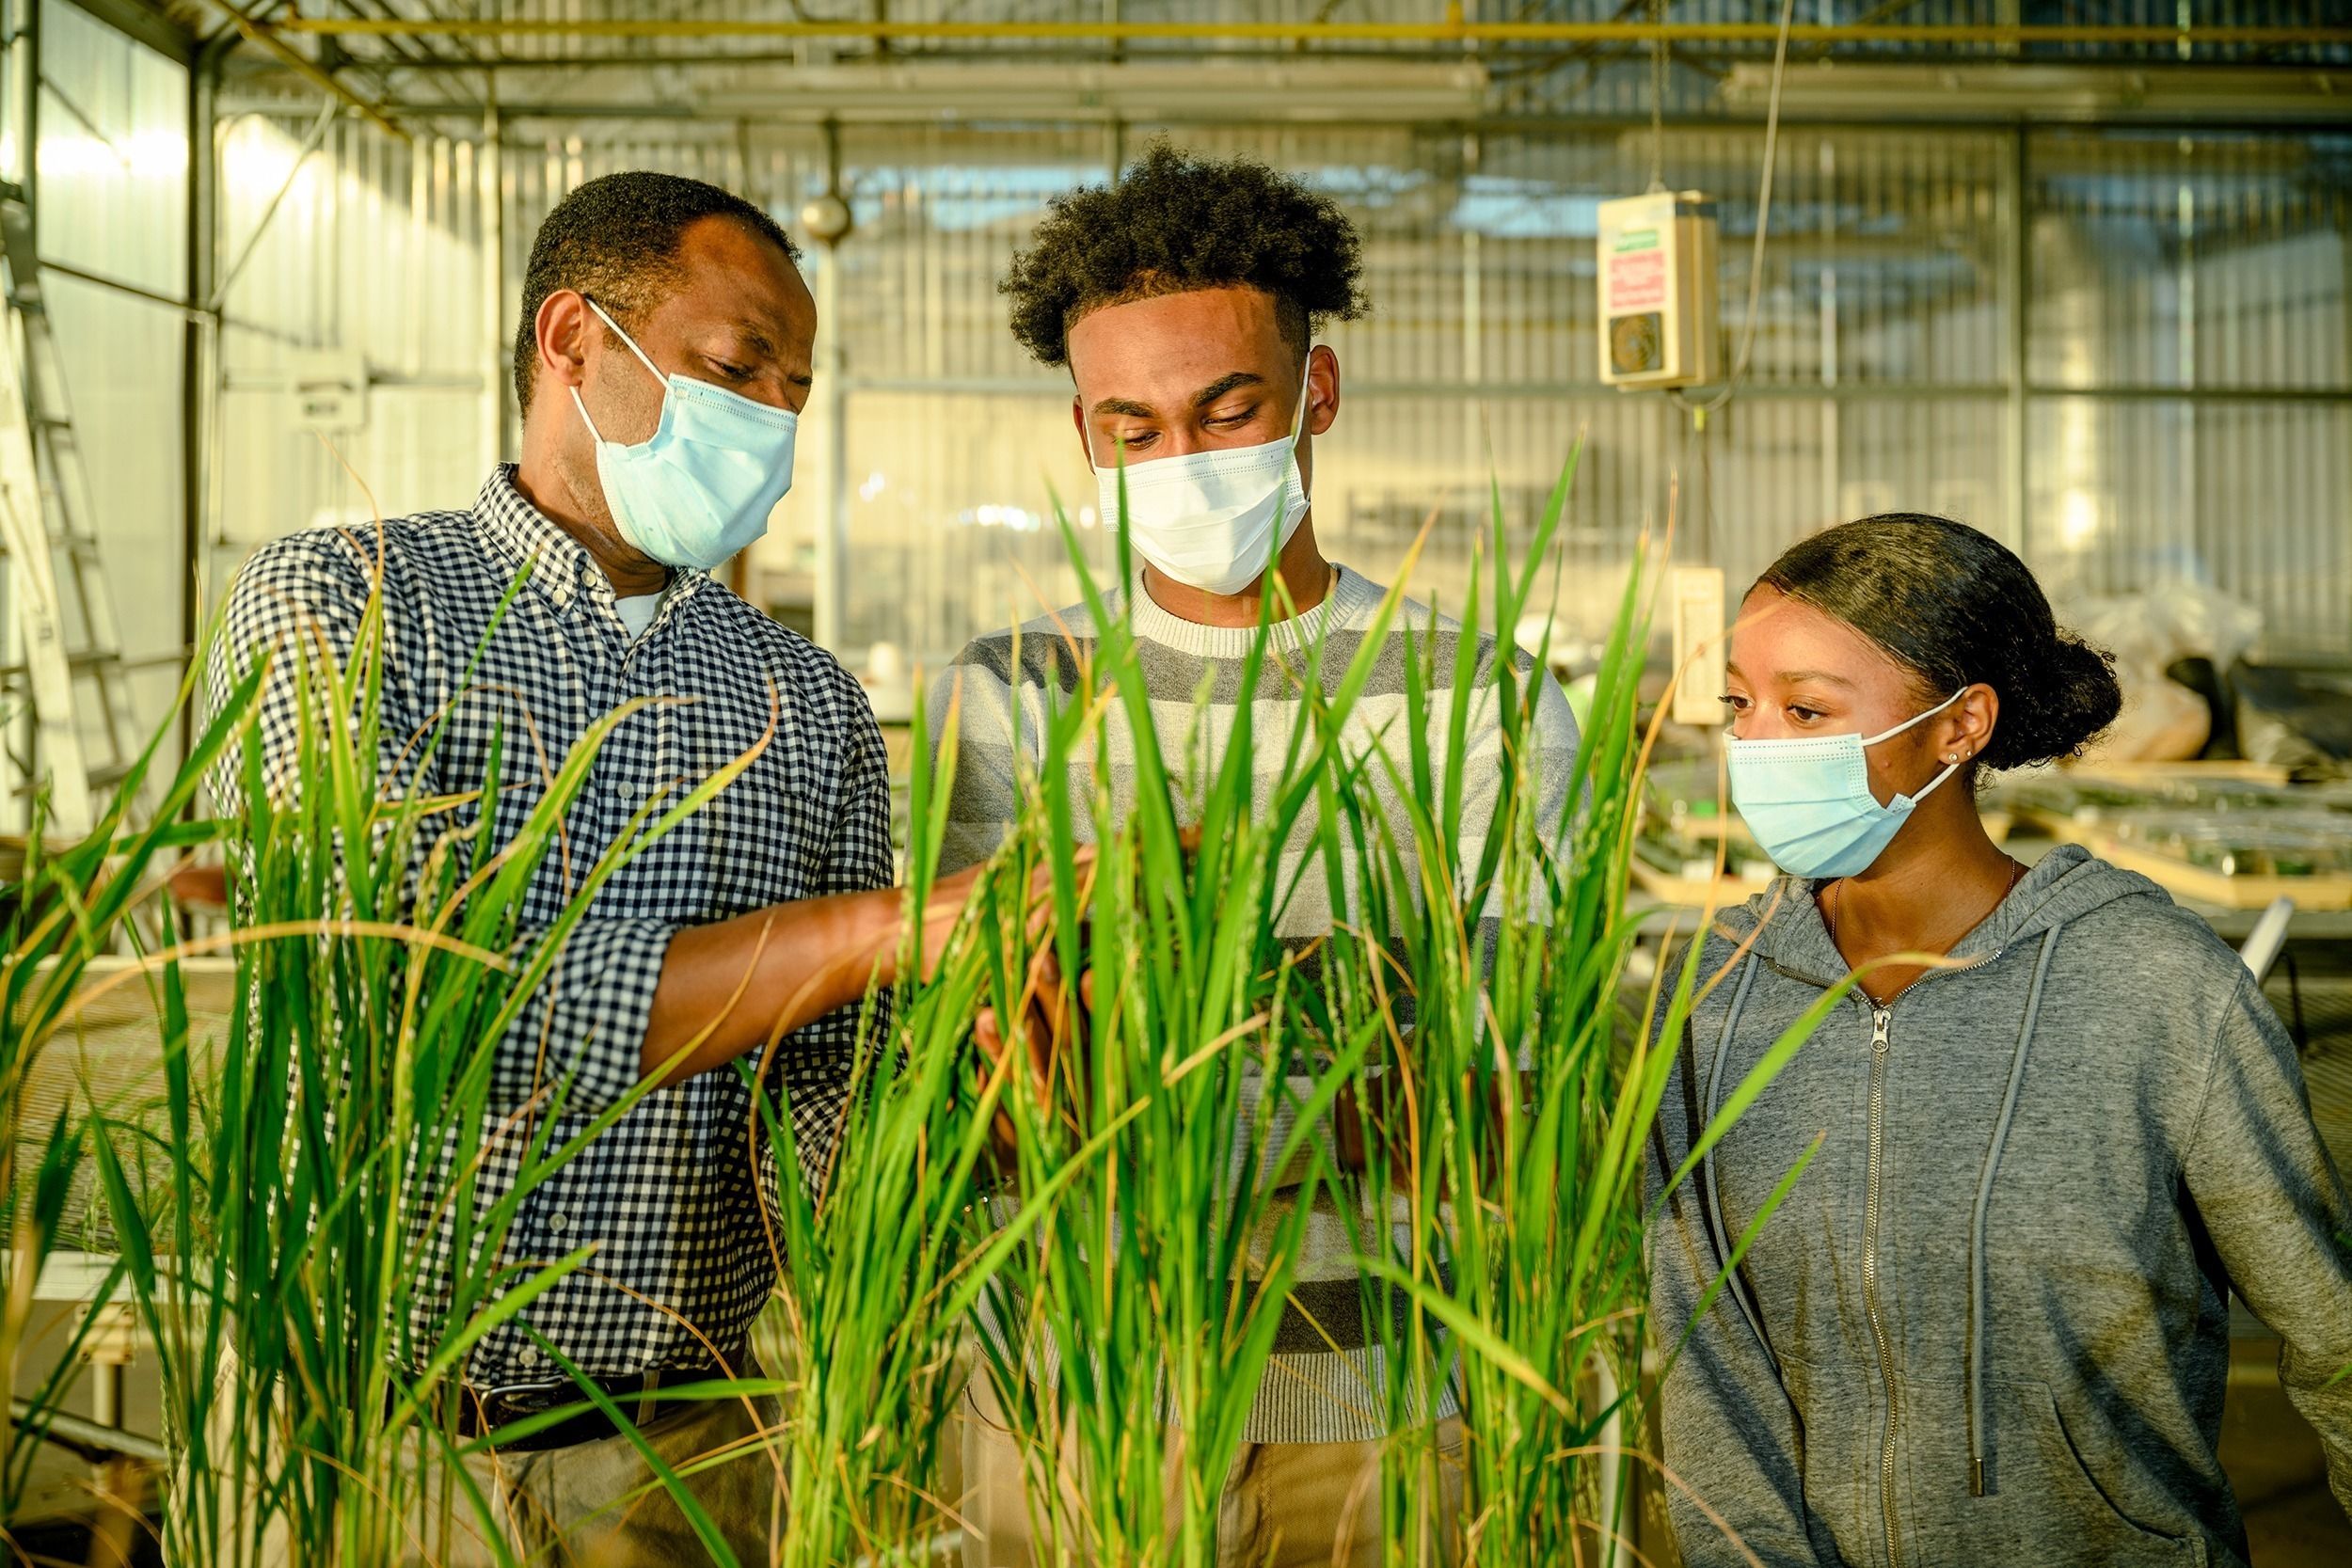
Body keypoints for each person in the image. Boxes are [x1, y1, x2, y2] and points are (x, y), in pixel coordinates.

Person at [206, 171, 987, 1566]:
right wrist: (880, 930)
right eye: (736, 369)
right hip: (360, 1436)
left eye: (793, 390)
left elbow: (835, 1112)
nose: (770, 426)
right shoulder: (341, 599)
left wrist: (1005, 1063)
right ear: (575, 337)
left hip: (685, 1451)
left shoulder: (804, 704)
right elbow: (402, 995)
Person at [931, 144, 1583, 1568]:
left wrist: (1160, 1093)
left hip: (1386, 1392)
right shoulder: (1009, 689)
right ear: (1086, 435)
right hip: (1075, 1382)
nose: (1186, 459)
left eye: (1229, 409)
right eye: (1136, 426)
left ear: (1316, 395)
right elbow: (977, 1064)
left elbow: (1515, 1083)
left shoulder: (1481, 696)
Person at [1646, 515, 2352, 1567]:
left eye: (1807, 708)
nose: (1755, 744)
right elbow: (1703, 1355)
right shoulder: (1711, 991)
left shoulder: (2151, 986)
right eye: (1740, 704)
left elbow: (2333, 1331)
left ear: (1959, 724)